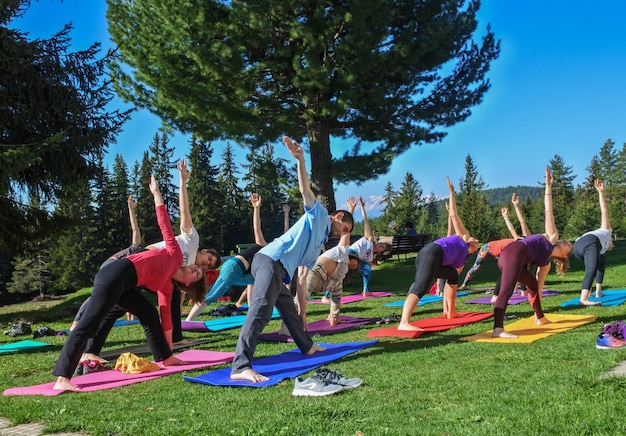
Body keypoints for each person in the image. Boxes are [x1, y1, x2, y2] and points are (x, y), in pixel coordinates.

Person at [52, 176, 204, 391]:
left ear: (187, 285)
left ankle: (165, 358)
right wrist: (156, 193)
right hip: (116, 273)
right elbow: (165, 224)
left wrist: (169, 353)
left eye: (196, 274)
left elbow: (166, 321)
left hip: (127, 284)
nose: (195, 268)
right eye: (197, 268)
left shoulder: (167, 288)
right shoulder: (174, 253)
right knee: (90, 323)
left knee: (150, 314)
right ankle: (62, 378)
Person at [230, 135, 354, 383]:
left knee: (290, 312)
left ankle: (307, 346)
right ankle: (240, 366)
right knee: (261, 309)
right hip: (268, 260)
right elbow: (304, 190)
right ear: (338, 216)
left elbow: (302, 277)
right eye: (344, 229)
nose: (342, 234)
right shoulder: (318, 215)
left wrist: (304, 311)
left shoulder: (318, 244)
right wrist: (300, 160)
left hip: (281, 271)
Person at [71, 160, 209, 356]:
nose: (203, 265)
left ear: (189, 282)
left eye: (205, 268)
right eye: (207, 261)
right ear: (204, 250)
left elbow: (170, 306)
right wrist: (182, 181)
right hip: (130, 262)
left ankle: (169, 346)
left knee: (152, 307)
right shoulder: (189, 241)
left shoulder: (181, 271)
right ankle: (87, 346)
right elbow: (181, 213)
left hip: (144, 273)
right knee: (111, 304)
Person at [492, 167, 573, 339]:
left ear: (565, 255)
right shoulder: (551, 237)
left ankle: (540, 318)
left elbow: (538, 288)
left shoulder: (545, 263)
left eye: (569, 246)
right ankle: (498, 328)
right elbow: (548, 211)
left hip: (513, 257)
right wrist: (548, 186)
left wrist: (538, 307)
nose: (566, 242)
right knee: (506, 291)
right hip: (513, 253)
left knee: (533, 285)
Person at [185, 193, 289, 320]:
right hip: (234, 267)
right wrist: (256, 209)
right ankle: (188, 320)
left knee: (264, 279)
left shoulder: (274, 261)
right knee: (213, 295)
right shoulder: (263, 246)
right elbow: (257, 229)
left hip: (239, 274)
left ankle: (262, 308)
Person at [398, 177, 479, 331]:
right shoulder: (464, 238)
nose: (476, 240)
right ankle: (404, 322)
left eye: (477, 242)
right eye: (475, 240)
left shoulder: (459, 261)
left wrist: (445, 307)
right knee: (421, 287)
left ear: (473, 250)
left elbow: (450, 283)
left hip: (435, 258)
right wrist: (452, 193)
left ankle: (451, 312)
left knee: (452, 276)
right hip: (431, 252)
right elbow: (454, 216)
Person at [459, 205, 529, 290]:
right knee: (476, 266)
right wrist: (505, 216)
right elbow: (512, 228)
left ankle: (514, 287)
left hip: (499, 252)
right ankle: (463, 285)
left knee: (513, 267)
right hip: (487, 248)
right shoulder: (516, 242)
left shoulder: (518, 247)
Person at [574, 178, 613, 306]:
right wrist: (601, 193)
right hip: (589, 242)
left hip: (578, 247)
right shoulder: (606, 231)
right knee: (590, 270)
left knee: (600, 261)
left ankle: (598, 291)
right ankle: (584, 299)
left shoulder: (602, 248)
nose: (612, 245)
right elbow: (604, 211)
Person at [348, 196, 390, 297]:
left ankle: (365, 291)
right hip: (349, 253)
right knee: (339, 272)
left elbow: (367, 268)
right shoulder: (369, 240)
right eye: (381, 244)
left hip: (354, 258)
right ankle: (326, 295)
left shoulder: (369, 257)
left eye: (382, 247)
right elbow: (365, 222)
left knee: (367, 268)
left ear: (380, 252)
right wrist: (361, 207)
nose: (380, 245)